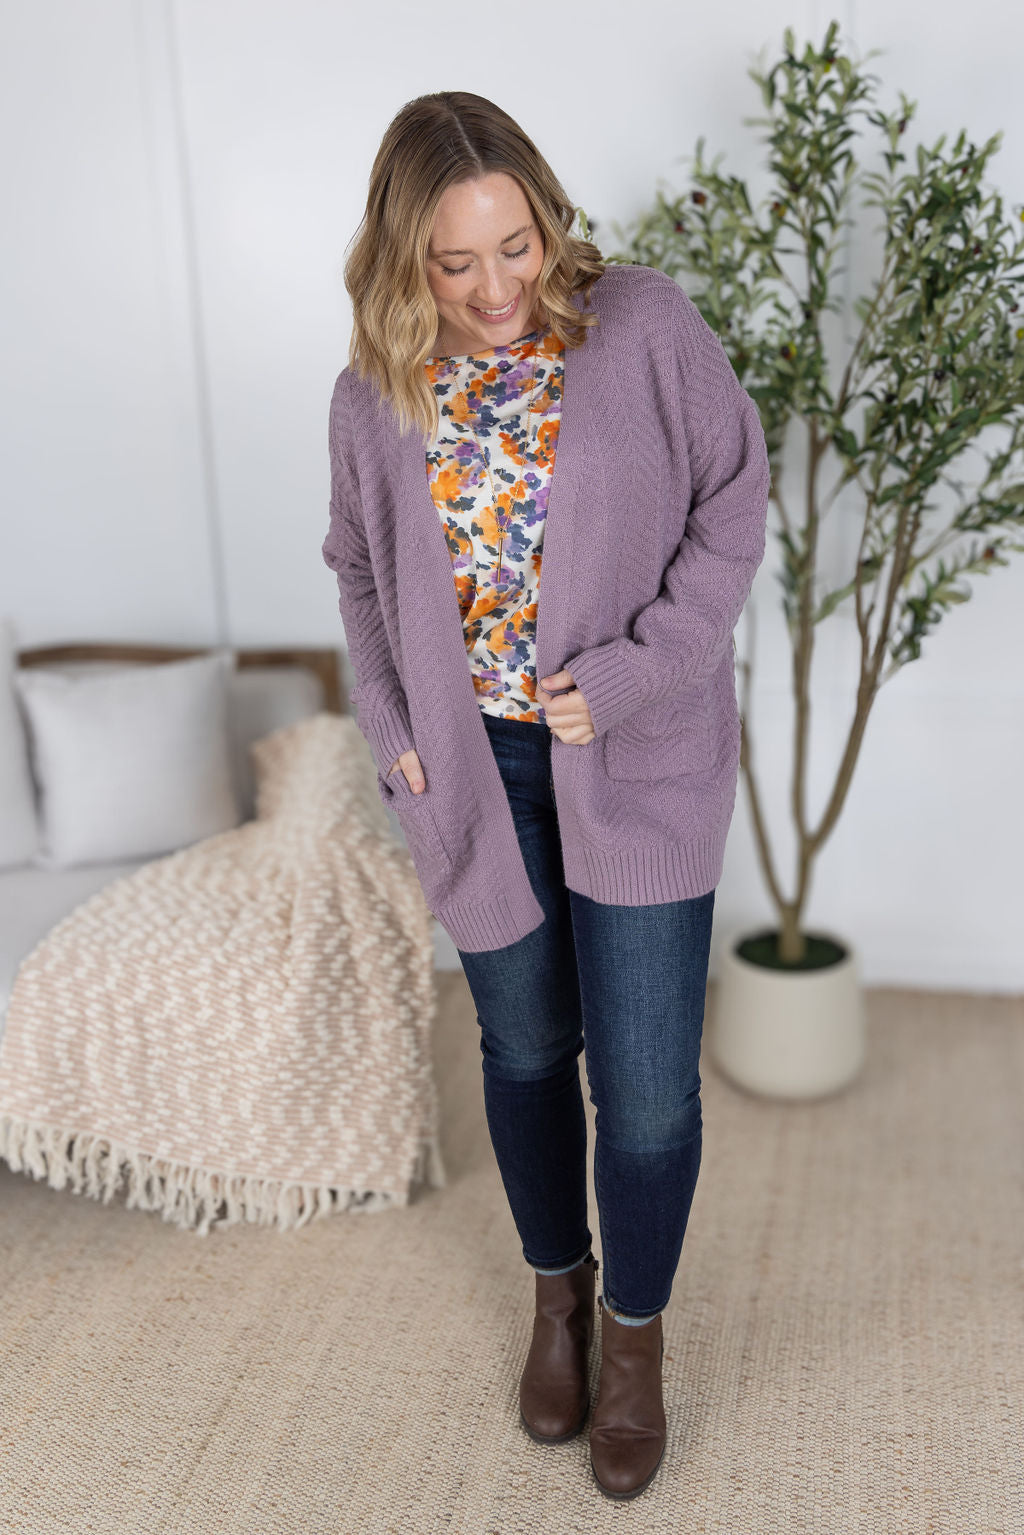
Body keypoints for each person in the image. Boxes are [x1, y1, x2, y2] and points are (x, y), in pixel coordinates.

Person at [322, 90, 770, 1501]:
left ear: (546, 217)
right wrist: (393, 722)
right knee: (522, 1050)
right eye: (455, 262)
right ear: (405, 259)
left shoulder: (643, 325)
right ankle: (556, 1299)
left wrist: (637, 671)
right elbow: (357, 568)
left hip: (637, 758)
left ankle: (634, 1339)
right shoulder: (373, 391)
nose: (495, 288)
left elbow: (734, 504)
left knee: (644, 1093)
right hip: (476, 770)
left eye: (514, 246)